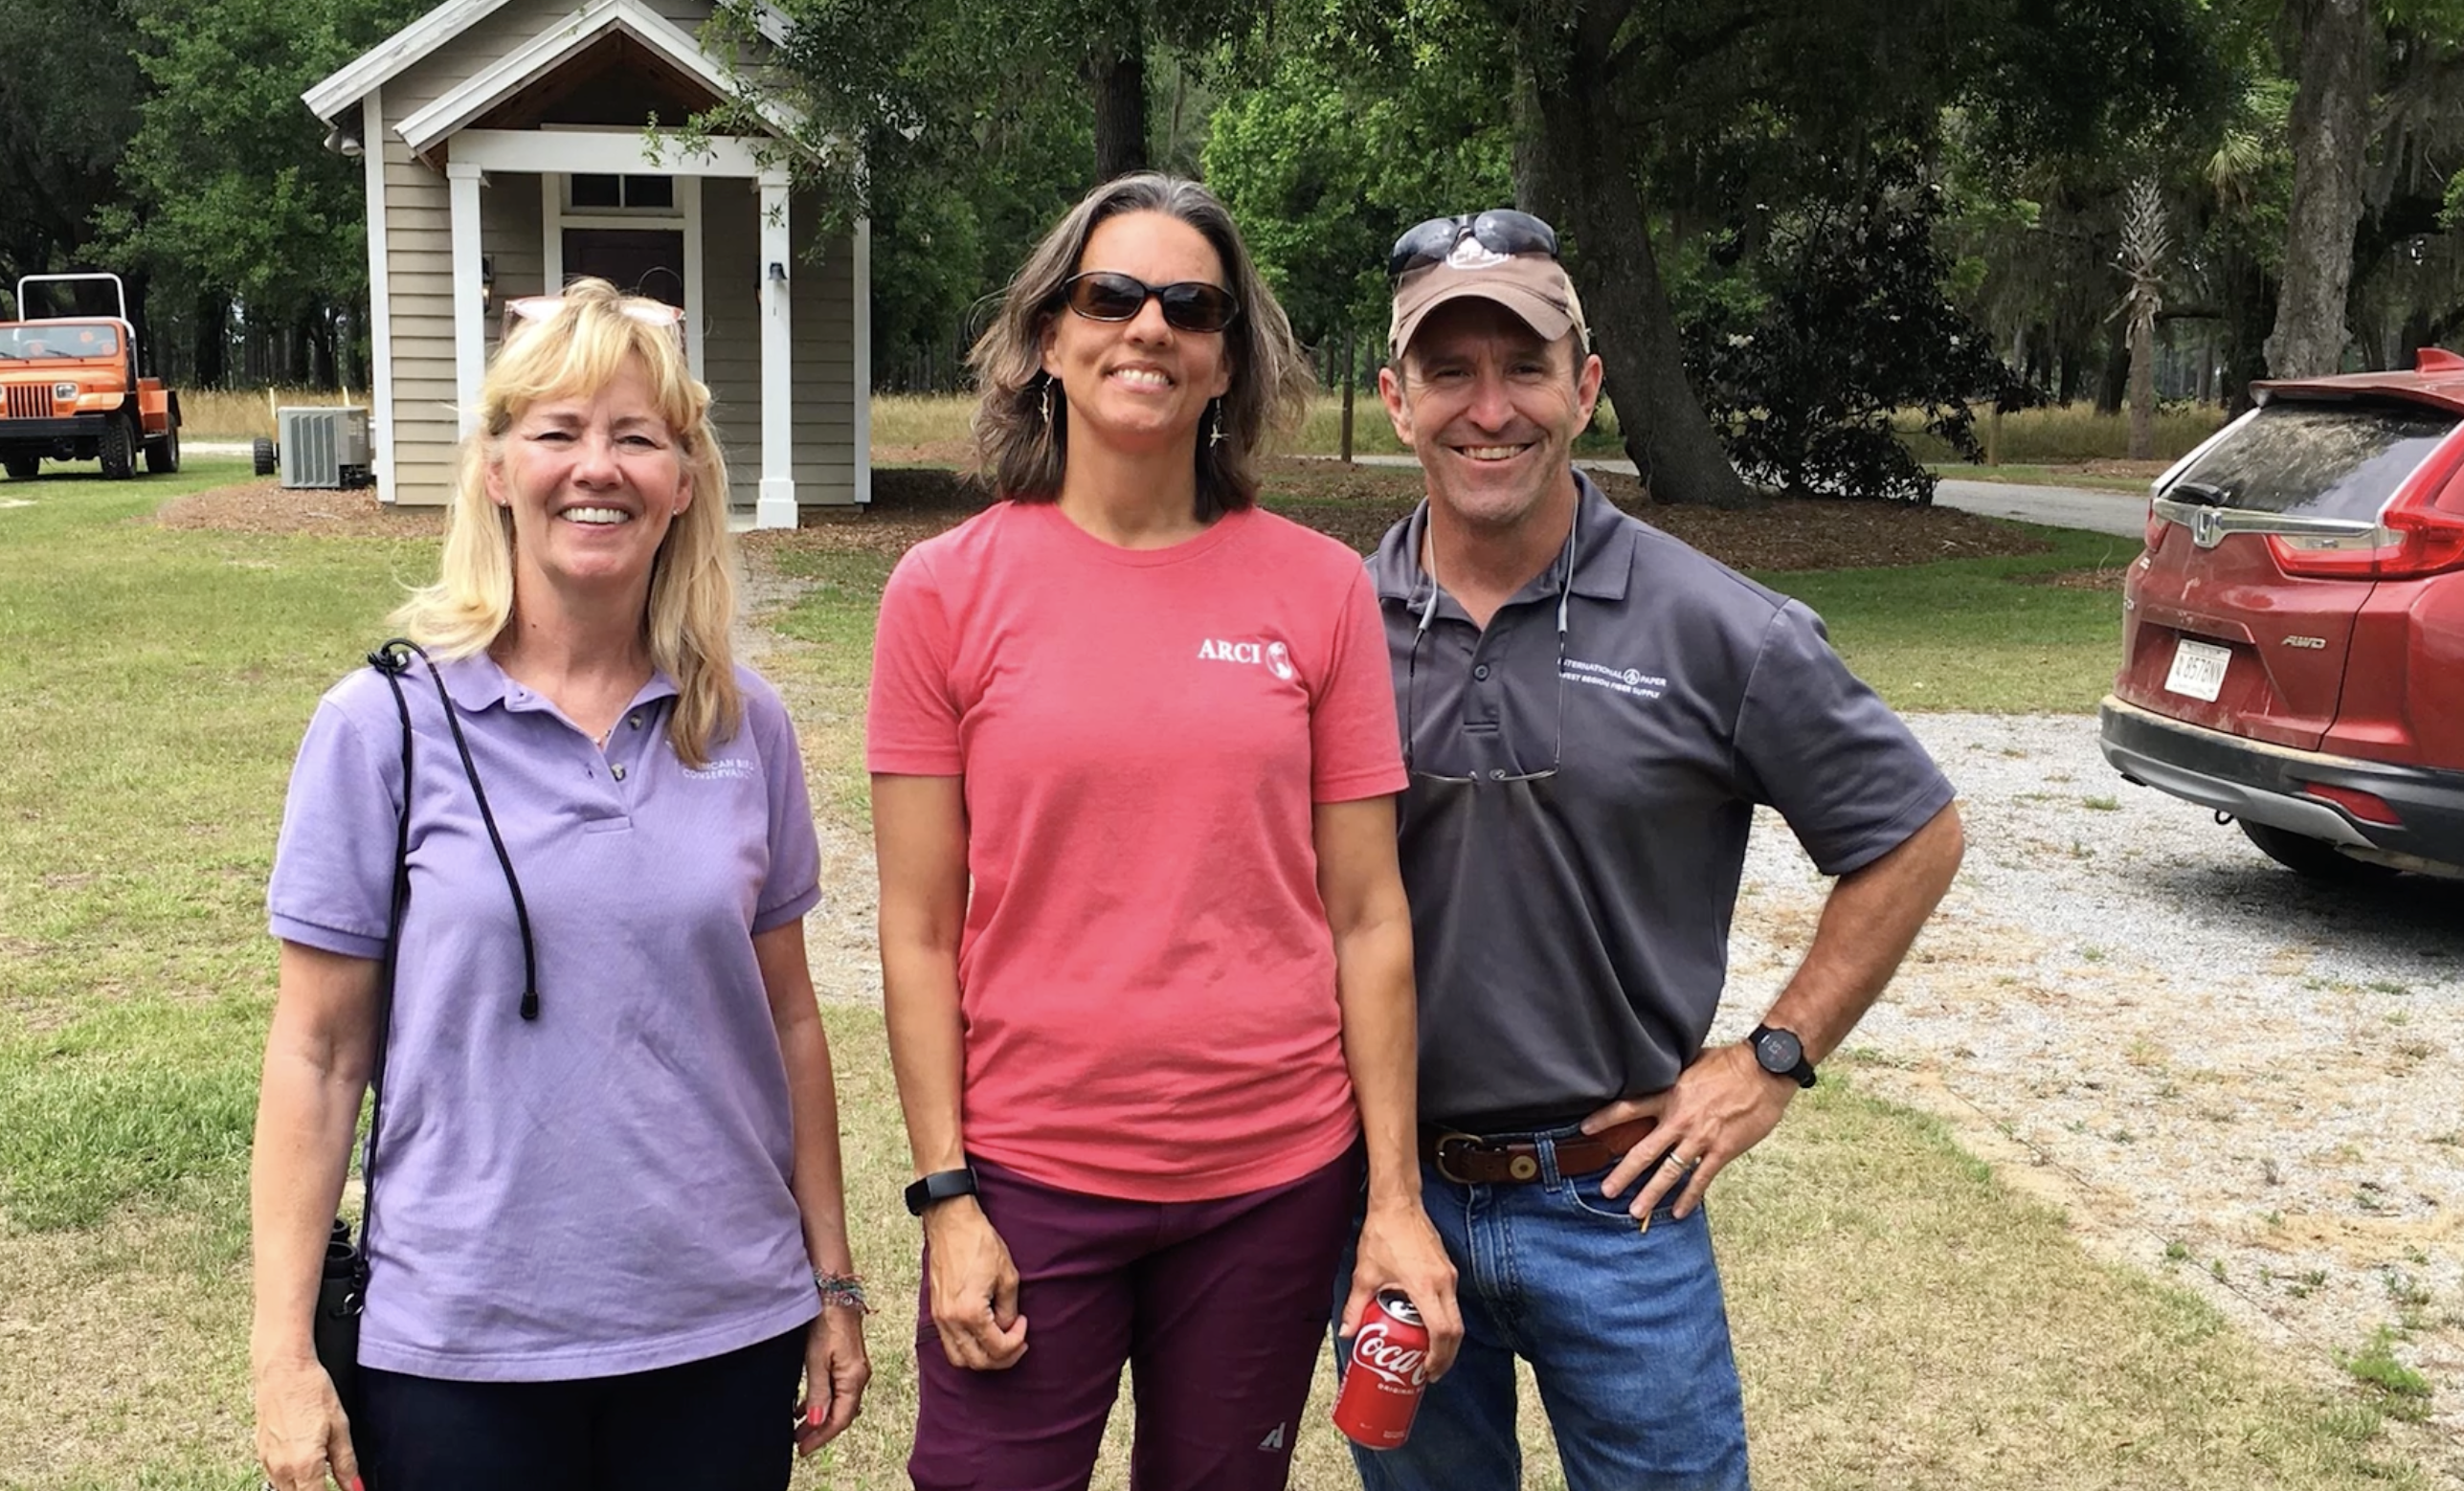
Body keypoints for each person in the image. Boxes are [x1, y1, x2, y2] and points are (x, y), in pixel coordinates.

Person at [1350, 211, 1966, 1490]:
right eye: (1448, 371)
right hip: (1391, 1204)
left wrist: (1772, 1057)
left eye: (1523, 367)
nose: (1488, 409)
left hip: (1614, 1206)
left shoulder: (1717, 626)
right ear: (1394, 399)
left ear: (1584, 388)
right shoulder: (1329, 626)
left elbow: (1910, 830)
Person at [866, 173, 1462, 1491]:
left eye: (1189, 307)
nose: (1148, 326)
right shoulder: (942, 593)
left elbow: (1368, 914)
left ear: (1225, 362)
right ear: (1046, 339)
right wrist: (945, 1196)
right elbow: (912, 930)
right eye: (1110, 294)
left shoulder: (1316, 590)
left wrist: (1395, 1196)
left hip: (1268, 1181)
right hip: (1027, 1176)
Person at [248, 278, 867, 1491]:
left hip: (721, 1329)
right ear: (493, 469)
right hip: (460, 1348)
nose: (599, 468)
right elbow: (316, 1056)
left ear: (684, 481)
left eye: (638, 436)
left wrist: (830, 1276)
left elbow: (791, 1018)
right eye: (557, 432)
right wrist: (283, 1352)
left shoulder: (746, 728)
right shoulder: (384, 724)